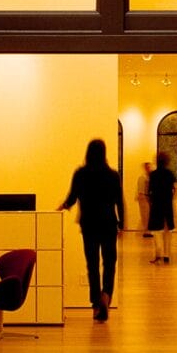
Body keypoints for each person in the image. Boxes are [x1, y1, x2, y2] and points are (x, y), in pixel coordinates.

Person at [60, 137, 124, 322]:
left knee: (93, 265)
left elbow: (72, 198)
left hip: (89, 225)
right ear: (104, 153)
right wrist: (122, 224)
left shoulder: (81, 174)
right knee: (110, 263)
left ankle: (96, 304)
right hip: (108, 223)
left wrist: (63, 205)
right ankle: (106, 296)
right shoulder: (112, 175)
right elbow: (119, 200)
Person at [147, 149, 177, 264]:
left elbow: (149, 191)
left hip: (156, 205)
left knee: (156, 231)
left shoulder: (153, 175)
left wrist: (152, 201)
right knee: (168, 231)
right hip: (167, 205)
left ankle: (158, 252)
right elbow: (175, 189)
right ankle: (167, 255)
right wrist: (171, 198)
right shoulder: (169, 174)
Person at [136, 160, 153, 237]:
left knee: (148, 215)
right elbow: (140, 190)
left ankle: (148, 230)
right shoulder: (142, 178)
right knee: (145, 215)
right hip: (143, 197)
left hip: (147, 197)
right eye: (148, 167)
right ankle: (146, 231)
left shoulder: (149, 177)